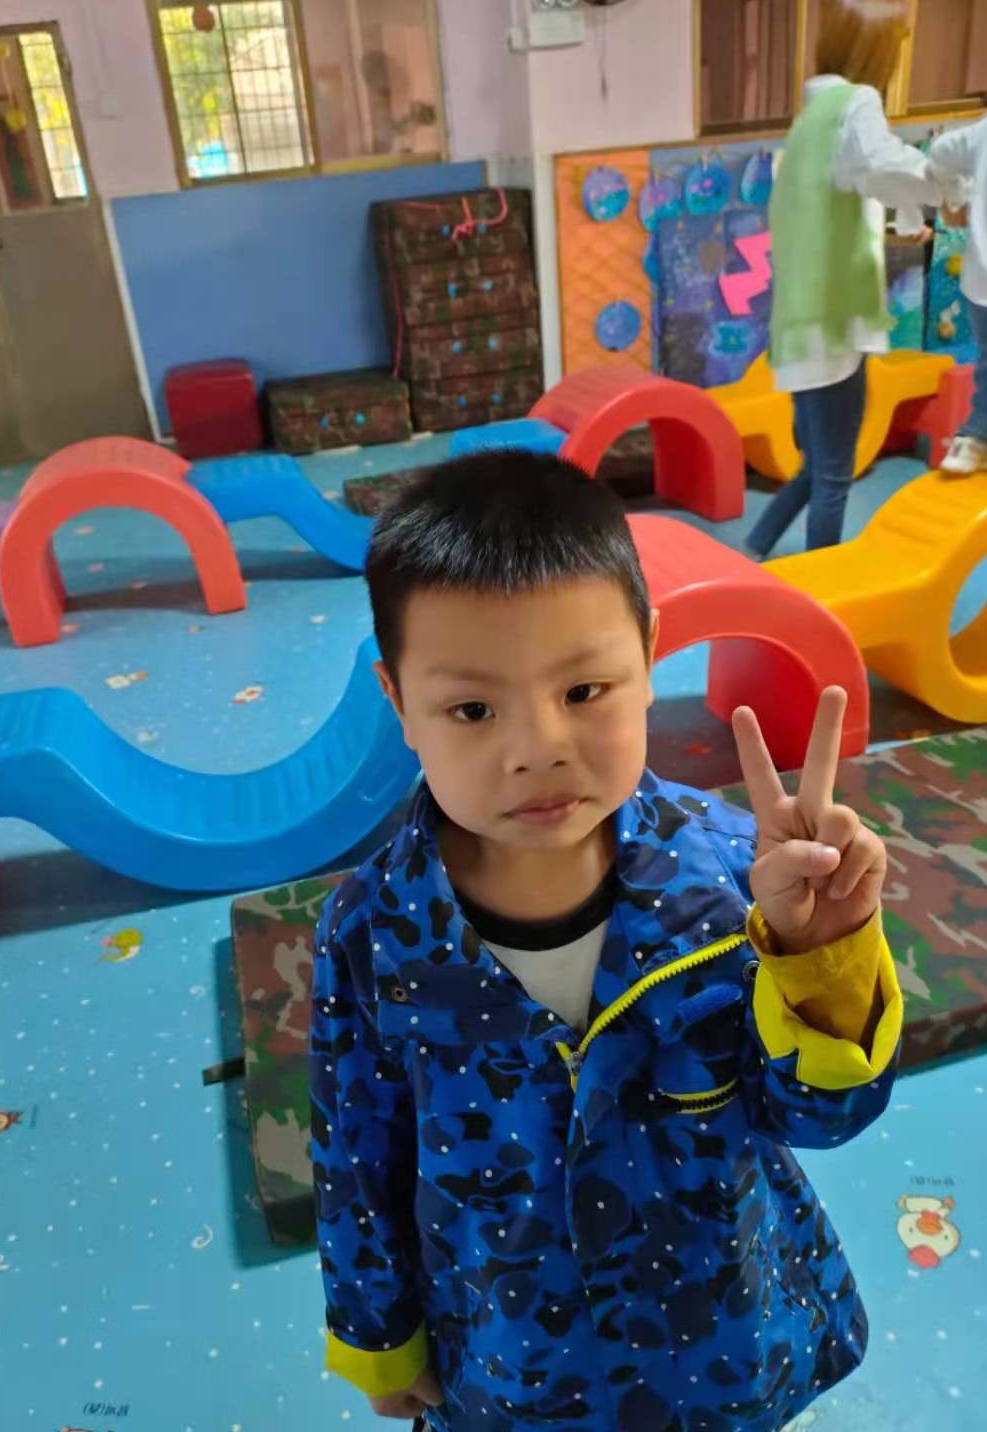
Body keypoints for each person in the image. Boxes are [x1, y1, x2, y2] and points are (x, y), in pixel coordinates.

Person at [310, 451, 901, 1432]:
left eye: (584, 691)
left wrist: (822, 954)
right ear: (399, 703)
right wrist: (380, 1339)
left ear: (649, 652)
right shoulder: (373, 933)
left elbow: (821, 1118)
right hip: (511, 1362)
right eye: (472, 709)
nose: (538, 748)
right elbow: (353, 1163)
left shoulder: (738, 882)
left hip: (719, 1346)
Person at [747, 0, 960, 559]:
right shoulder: (856, 104)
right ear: (876, 51)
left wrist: (897, 226)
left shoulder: (811, 118)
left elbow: (844, 196)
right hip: (834, 324)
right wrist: (949, 181)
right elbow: (883, 165)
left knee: (818, 467)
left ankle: (753, 546)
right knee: (835, 476)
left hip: (800, 323)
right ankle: (825, 585)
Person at [926, 113, 987, 473]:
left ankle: (973, 443)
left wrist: (954, 200)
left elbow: (939, 152)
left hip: (985, 282)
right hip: (984, 280)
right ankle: (976, 440)